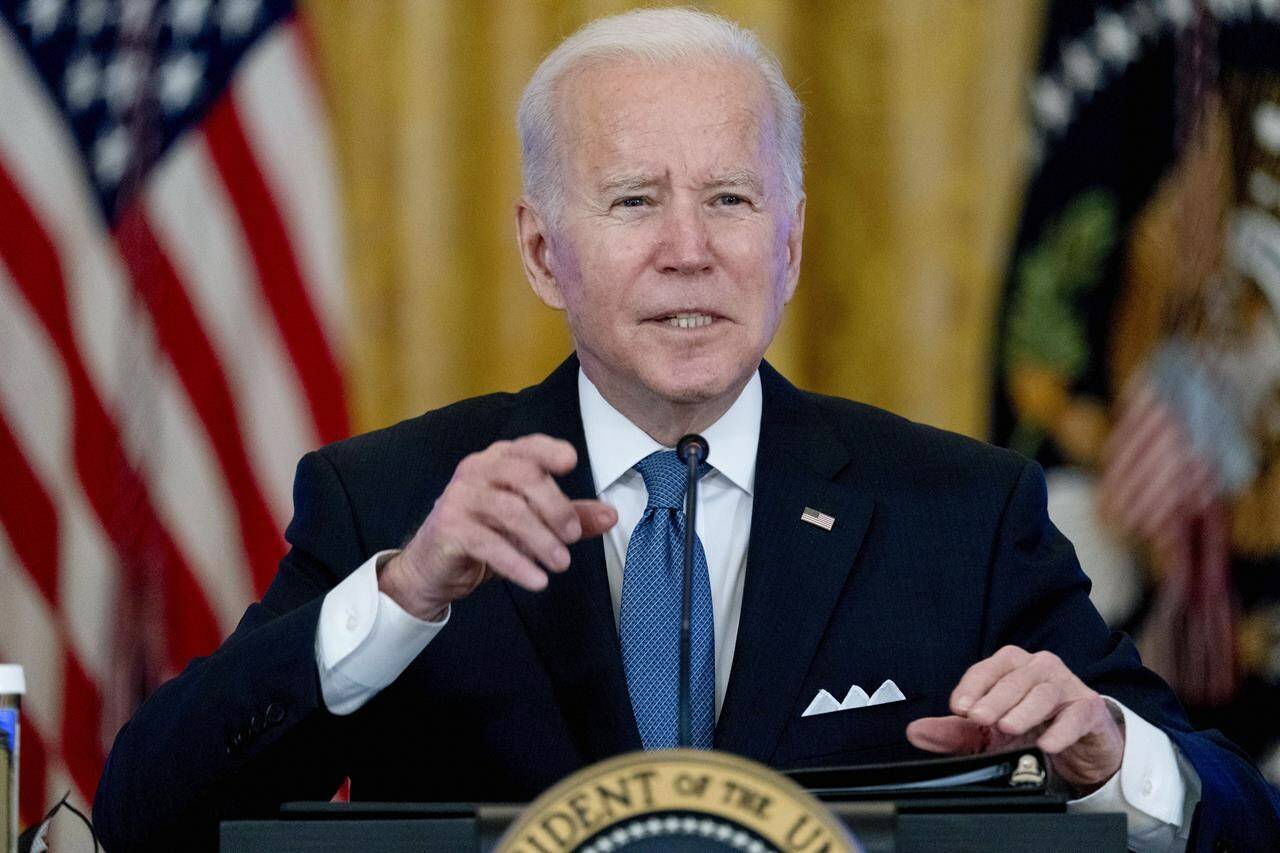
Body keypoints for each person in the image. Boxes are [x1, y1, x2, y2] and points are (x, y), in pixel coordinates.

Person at [93, 8, 1279, 851]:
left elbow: (1238, 814)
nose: (687, 249)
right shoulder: (392, 502)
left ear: (791, 242)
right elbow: (151, 810)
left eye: (728, 197)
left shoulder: (958, 513)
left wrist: (1109, 750)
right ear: (540, 249)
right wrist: (399, 594)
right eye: (630, 200)